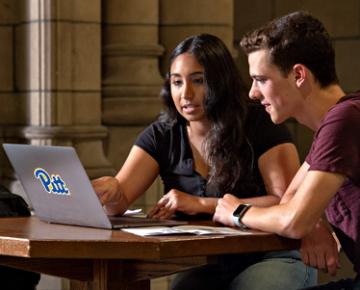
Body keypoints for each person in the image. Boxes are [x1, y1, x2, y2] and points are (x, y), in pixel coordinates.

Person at [92, 33, 316, 289]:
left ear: (220, 81)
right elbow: (120, 196)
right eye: (177, 82)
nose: (186, 93)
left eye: (198, 81)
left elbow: (285, 201)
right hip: (208, 263)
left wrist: (201, 203)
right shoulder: (162, 134)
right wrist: (108, 191)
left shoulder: (258, 122)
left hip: (274, 254)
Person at [213, 11, 360, 290]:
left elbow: (293, 220)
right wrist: (310, 221)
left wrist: (237, 211)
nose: (252, 93)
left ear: (299, 75)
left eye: (261, 79)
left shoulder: (345, 120)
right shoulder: (335, 123)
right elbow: (289, 203)